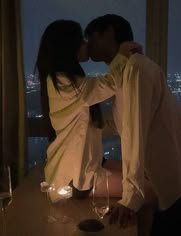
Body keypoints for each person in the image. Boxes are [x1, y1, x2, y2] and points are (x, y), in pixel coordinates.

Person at [85, 14, 181, 235]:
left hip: (172, 187)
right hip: (167, 182)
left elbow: (133, 133)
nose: (87, 44)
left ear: (108, 33)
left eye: (90, 37)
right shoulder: (126, 71)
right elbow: (121, 125)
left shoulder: (136, 69)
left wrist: (131, 198)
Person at [35, 19, 141, 201]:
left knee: (141, 176)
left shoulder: (68, 81)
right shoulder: (63, 82)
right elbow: (109, 84)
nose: (86, 44)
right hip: (74, 176)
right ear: (69, 46)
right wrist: (122, 55)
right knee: (145, 191)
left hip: (85, 165)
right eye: (81, 40)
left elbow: (89, 126)